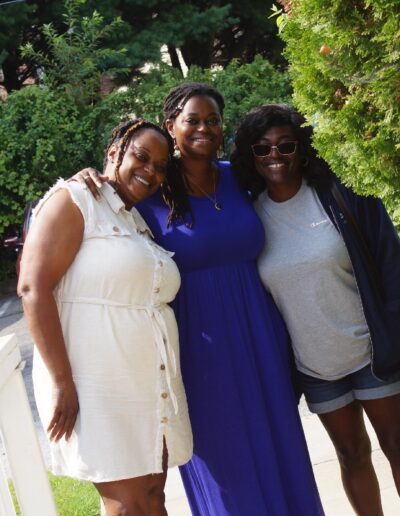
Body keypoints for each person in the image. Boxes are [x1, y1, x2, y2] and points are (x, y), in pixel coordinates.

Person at [73, 83, 324, 515]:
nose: (203, 128)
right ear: (172, 126)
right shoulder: (151, 188)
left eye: (212, 120)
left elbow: (292, 170)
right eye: (192, 120)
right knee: (226, 465)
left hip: (260, 337)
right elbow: (99, 202)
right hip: (197, 348)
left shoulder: (238, 176)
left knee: (281, 447)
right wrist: (87, 176)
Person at [231, 103, 400, 516]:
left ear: (302, 149)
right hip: (316, 365)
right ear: (250, 155)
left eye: (286, 146)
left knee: (396, 445)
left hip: (371, 352)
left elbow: (391, 265)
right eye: (262, 148)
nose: (275, 156)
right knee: (350, 454)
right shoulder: (250, 218)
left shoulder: (342, 195)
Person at [17, 119, 193, 516]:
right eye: (141, 156)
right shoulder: (75, 199)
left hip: (148, 385)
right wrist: (63, 382)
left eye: (160, 166)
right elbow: (32, 287)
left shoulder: (135, 219)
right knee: (126, 505)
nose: (150, 170)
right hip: (95, 386)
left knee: (153, 498)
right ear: (115, 151)